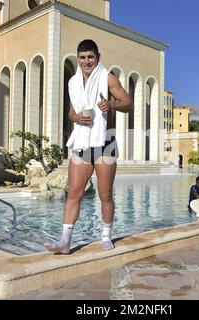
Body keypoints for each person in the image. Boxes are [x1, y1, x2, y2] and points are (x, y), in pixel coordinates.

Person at [44, 39, 133, 254]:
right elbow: (71, 111)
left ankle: (106, 236)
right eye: (82, 57)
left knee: (105, 194)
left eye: (90, 57)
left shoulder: (108, 78)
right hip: (83, 141)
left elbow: (128, 103)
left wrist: (111, 104)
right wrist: (75, 118)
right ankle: (65, 241)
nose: (86, 61)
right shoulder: (73, 82)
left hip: (106, 142)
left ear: (98, 57)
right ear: (78, 59)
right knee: (73, 192)